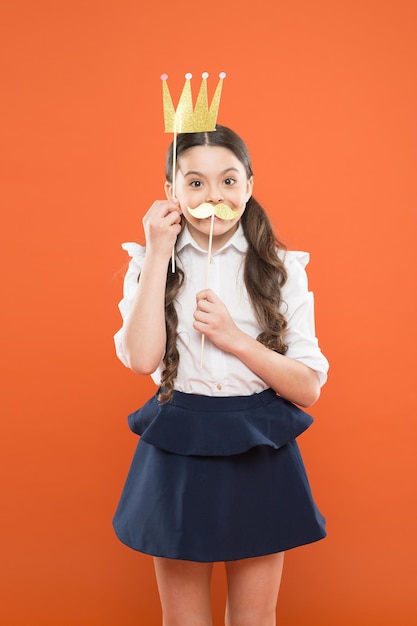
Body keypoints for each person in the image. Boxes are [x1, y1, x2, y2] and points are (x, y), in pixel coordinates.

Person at [113, 125, 329, 626]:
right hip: (178, 442)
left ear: (249, 186)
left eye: (228, 180)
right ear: (170, 192)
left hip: (259, 445)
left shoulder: (279, 269)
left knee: (254, 620)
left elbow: (309, 388)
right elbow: (142, 359)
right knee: (184, 620)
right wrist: (159, 250)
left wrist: (234, 338)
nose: (214, 196)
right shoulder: (149, 263)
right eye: (195, 183)